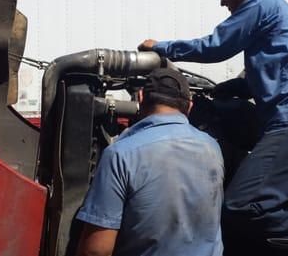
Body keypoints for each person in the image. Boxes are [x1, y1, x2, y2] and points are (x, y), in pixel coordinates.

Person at [138, 0, 288, 254]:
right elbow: (275, 70)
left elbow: (215, 46)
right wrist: (232, 87)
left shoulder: (260, 3)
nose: (222, 3)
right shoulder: (275, 13)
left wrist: (162, 47)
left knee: (239, 205)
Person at [75, 68, 224, 256]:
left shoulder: (120, 155)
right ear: (190, 106)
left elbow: (96, 250)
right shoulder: (212, 147)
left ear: (140, 97)